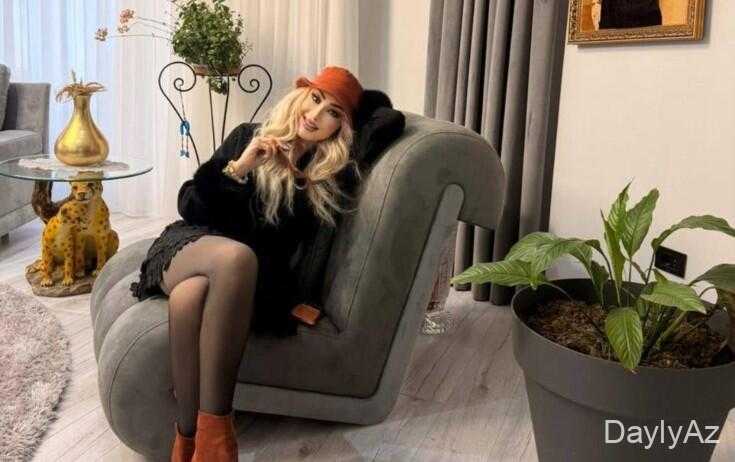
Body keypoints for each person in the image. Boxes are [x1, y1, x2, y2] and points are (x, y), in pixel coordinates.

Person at [129, 66, 404, 462]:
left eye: (332, 112)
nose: (315, 114)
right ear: (300, 95)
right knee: (235, 257)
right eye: (315, 98)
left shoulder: (324, 180)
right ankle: (219, 446)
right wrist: (240, 167)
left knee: (190, 298)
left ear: (342, 128)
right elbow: (189, 204)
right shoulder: (248, 136)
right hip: (188, 246)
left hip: (235, 279)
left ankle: (188, 445)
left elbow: (388, 121)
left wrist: (361, 107)